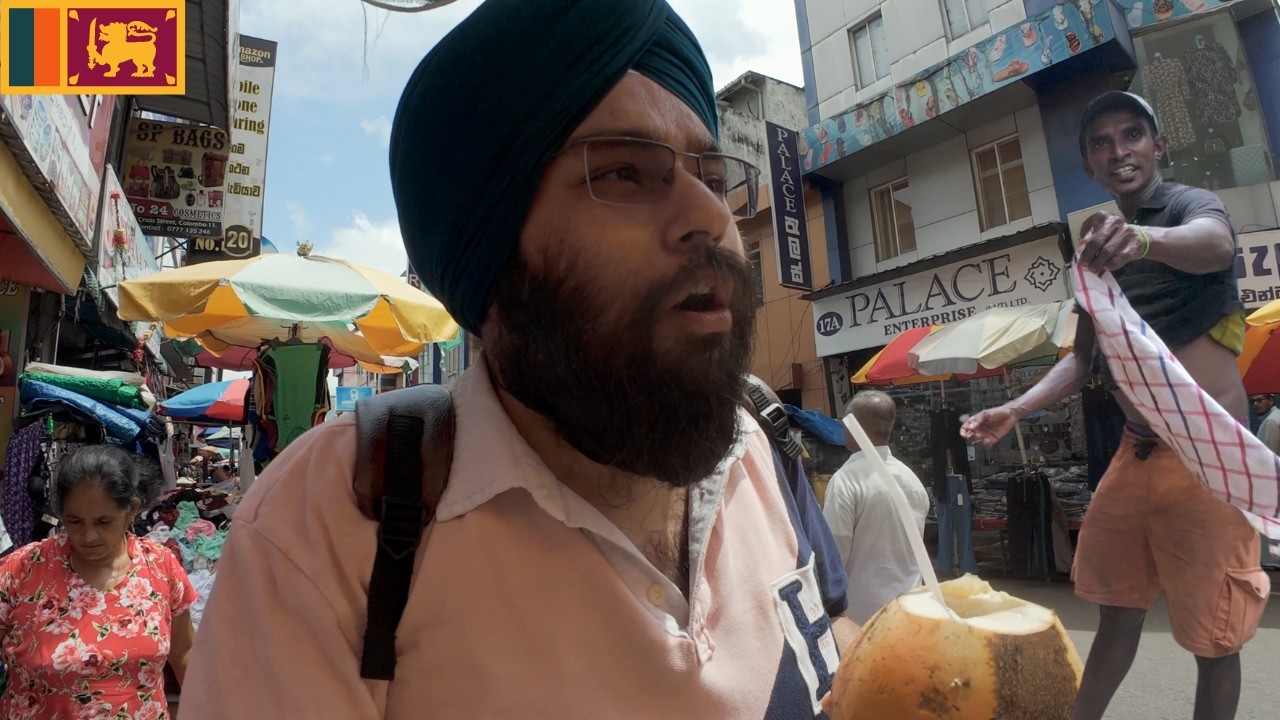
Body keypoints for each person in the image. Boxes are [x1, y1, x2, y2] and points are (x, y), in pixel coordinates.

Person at [181, 1, 854, 717]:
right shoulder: (325, 525)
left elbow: (838, 634)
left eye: (713, 179)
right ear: (495, 254)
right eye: (624, 172)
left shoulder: (765, 442)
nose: (712, 219)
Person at [962, 91, 1268, 720]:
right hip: (1135, 452)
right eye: (1102, 143)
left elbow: (1214, 244)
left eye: (1132, 135)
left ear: (1158, 146)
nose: (1119, 151)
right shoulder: (1095, 248)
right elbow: (1082, 357)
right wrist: (1016, 408)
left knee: (1215, 640)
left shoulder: (1185, 207)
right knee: (1116, 613)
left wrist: (1146, 240)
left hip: (1208, 457)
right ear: (1089, 163)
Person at [0, 445, 197, 718]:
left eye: (103, 521)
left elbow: (185, 653)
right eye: (75, 521)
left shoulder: (161, 567)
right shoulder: (20, 571)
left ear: (132, 510)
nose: (89, 536)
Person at [822, 391, 930, 625]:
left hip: (862, 619)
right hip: (910, 613)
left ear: (854, 428)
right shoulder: (911, 480)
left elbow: (833, 556)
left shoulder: (845, 481)